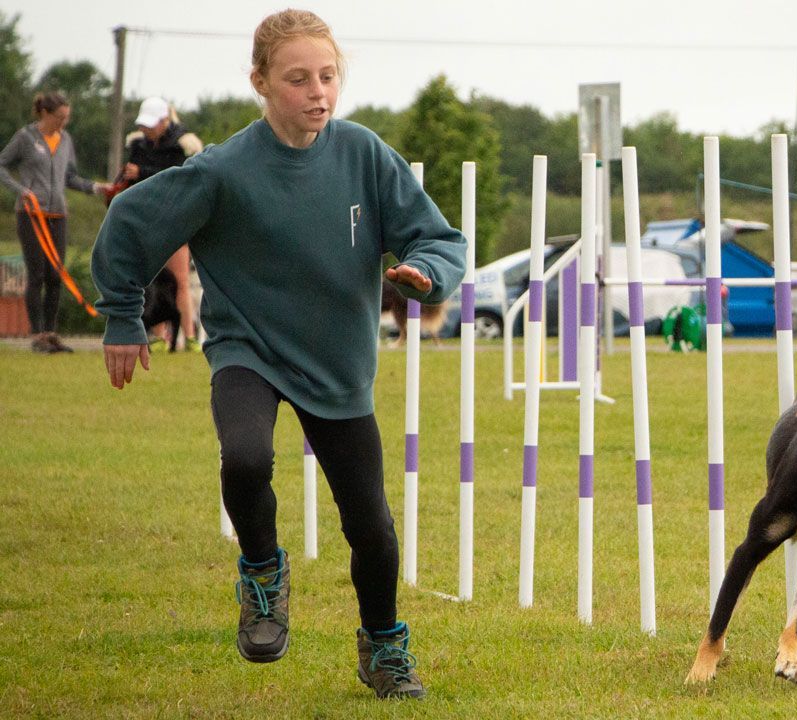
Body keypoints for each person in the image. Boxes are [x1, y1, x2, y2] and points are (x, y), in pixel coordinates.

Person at [91, 9, 465, 701]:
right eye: (298, 79)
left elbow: (439, 237)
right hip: (248, 349)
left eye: (328, 76)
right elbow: (131, 221)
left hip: (338, 362)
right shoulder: (223, 170)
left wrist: (426, 272)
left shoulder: (363, 155)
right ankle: (262, 574)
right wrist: (120, 317)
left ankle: (384, 649)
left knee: (372, 529)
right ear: (261, 82)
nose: (317, 92)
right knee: (245, 456)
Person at [0, 92, 106, 353]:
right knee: (36, 274)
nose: (63, 123)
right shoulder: (25, 138)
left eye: (66, 118)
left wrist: (94, 188)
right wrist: (20, 189)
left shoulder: (66, 140)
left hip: (58, 215)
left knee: (55, 274)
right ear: (45, 114)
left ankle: (52, 332)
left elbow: (69, 178)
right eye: (60, 117)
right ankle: (38, 335)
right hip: (31, 215)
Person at [121, 96, 205, 351]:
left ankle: (188, 336)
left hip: (174, 220)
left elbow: (177, 178)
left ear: (164, 121)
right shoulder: (138, 144)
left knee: (178, 278)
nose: (146, 130)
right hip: (145, 220)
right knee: (149, 280)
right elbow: (128, 177)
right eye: (144, 125)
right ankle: (158, 335)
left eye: (151, 124)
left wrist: (142, 173)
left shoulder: (182, 145)